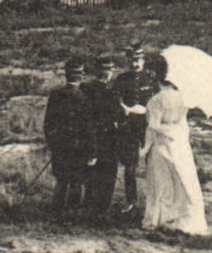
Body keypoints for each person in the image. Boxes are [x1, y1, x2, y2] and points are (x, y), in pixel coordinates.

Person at [138, 55, 208, 235]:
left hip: (161, 144)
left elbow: (153, 127)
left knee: (161, 182)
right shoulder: (182, 97)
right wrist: (175, 133)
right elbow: (182, 123)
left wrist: (145, 147)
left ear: (155, 76)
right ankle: (181, 215)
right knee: (181, 178)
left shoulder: (156, 100)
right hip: (178, 143)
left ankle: (160, 216)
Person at [111, 45, 160, 217]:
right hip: (130, 128)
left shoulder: (152, 78)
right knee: (130, 167)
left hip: (149, 127)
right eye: (132, 60)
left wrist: (146, 110)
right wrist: (124, 108)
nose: (135, 64)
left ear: (143, 60)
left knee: (154, 164)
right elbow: (115, 99)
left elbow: (158, 100)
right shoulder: (122, 79)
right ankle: (131, 201)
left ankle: (156, 202)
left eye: (138, 60)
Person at [42, 57, 89, 217]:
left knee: (63, 181)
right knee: (74, 182)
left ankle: (59, 214)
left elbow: (48, 124)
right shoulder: (84, 96)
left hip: (65, 146)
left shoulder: (56, 95)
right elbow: (89, 126)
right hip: (75, 146)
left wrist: (54, 143)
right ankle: (70, 214)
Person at [82, 55, 124, 221]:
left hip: (102, 138)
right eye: (106, 69)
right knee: (100, 176)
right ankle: (96, 211)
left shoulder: (107, 90)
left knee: (101, 175)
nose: (108, 73)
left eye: (110, 69)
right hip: (101, 138)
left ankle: (96, 210)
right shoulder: (98, 90)